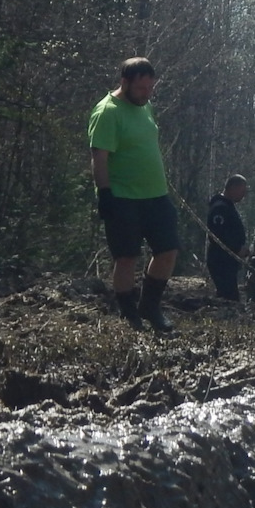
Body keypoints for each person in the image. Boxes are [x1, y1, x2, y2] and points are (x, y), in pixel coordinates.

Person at [88, 57, 179, 333]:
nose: (147, 94)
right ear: (124, 83)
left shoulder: (146, 106)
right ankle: (128, 312)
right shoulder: (107, 112)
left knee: (168, 250)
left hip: (156, 195)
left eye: (150, 88)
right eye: (141, 89)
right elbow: (99, 157)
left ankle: (150, 306)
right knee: (126, 257)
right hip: (123, 197)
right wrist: (104, 194)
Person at [206, 175, 251, 300]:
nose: (243, 195)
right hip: (220, 261)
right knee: (228, 297)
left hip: (228, 261)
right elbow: (218, 235)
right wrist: (237, 249)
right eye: (242, 191)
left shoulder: (227, 206)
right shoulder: (220, 208)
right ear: (232, 187)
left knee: (230, 295)